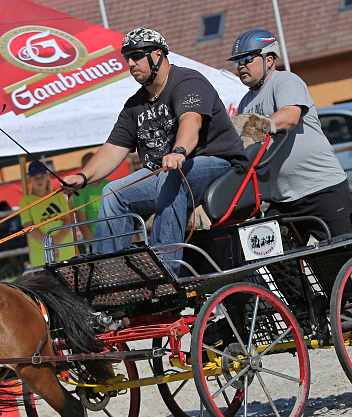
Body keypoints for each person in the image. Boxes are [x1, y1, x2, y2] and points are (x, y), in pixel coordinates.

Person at [61, 28, 247, 263]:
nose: (130, 63)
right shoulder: (134, 105)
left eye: (136, 56)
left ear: (158, 54)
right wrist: (83, 176)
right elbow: (113, 148)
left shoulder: (188, 82)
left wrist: (179, 151)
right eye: (127, 58)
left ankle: (164, 266)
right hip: (166, 172)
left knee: (171, 177)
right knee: (112, 193)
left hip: (219, 166)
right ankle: (105, 269)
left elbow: (191, 120)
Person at [229, 29, 352, 242]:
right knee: (276, 260)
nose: (241, 66)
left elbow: (290, 117)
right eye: (237, 61)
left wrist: (259, 125)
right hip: (282, 199)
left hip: (322, 188)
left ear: (269, 59)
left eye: (247, 59)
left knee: (347, 253)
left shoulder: (286, 81)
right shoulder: (245, 102)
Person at [19, 161, 76, 267]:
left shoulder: (58, 195)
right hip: (42, 256)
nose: (39, 180)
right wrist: (50, 244)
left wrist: (57, 240)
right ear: (30, 179)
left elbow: (69, 219)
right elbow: (29, 227)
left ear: (47, 177)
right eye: (35, 177)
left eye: (42, 176)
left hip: (66, 250)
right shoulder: (26, 201)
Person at [72, 151, 110, 241]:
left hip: (117, 235)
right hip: (97, 239)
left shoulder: (110, 184)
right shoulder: (80, 191)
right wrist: (94, 243)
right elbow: (82, 222)